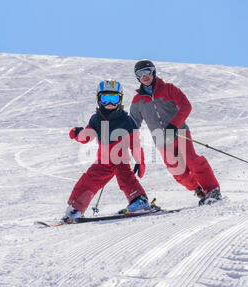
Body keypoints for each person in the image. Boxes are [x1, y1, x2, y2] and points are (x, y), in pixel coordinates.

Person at [130, 60, 222, 205]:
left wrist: (174, 124)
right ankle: (198, 190)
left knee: (191, 160)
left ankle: (212, 190)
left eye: (147, 72)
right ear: (137, 78)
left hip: (179, 132)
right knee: (177, 170)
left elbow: (186, 106)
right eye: (140, 74)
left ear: (153, 72)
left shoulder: (168, 89)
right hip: (161, 140)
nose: (145, 76)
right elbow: (133, 123)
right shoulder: (137, 101)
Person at [62, 80, 149, 224]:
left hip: (120, 159)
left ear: (120, 99)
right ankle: (75, 209)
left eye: (113, 99)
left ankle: (139, 200)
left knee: (124, 176)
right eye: (105, 98)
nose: (109, 103)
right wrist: (78, 134)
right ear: (98, 99)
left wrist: (139, 160)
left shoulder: (127, 120)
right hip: (103, 161)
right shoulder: (96, 119)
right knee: (88, 181)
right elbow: (88, 136)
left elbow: (135, 143)